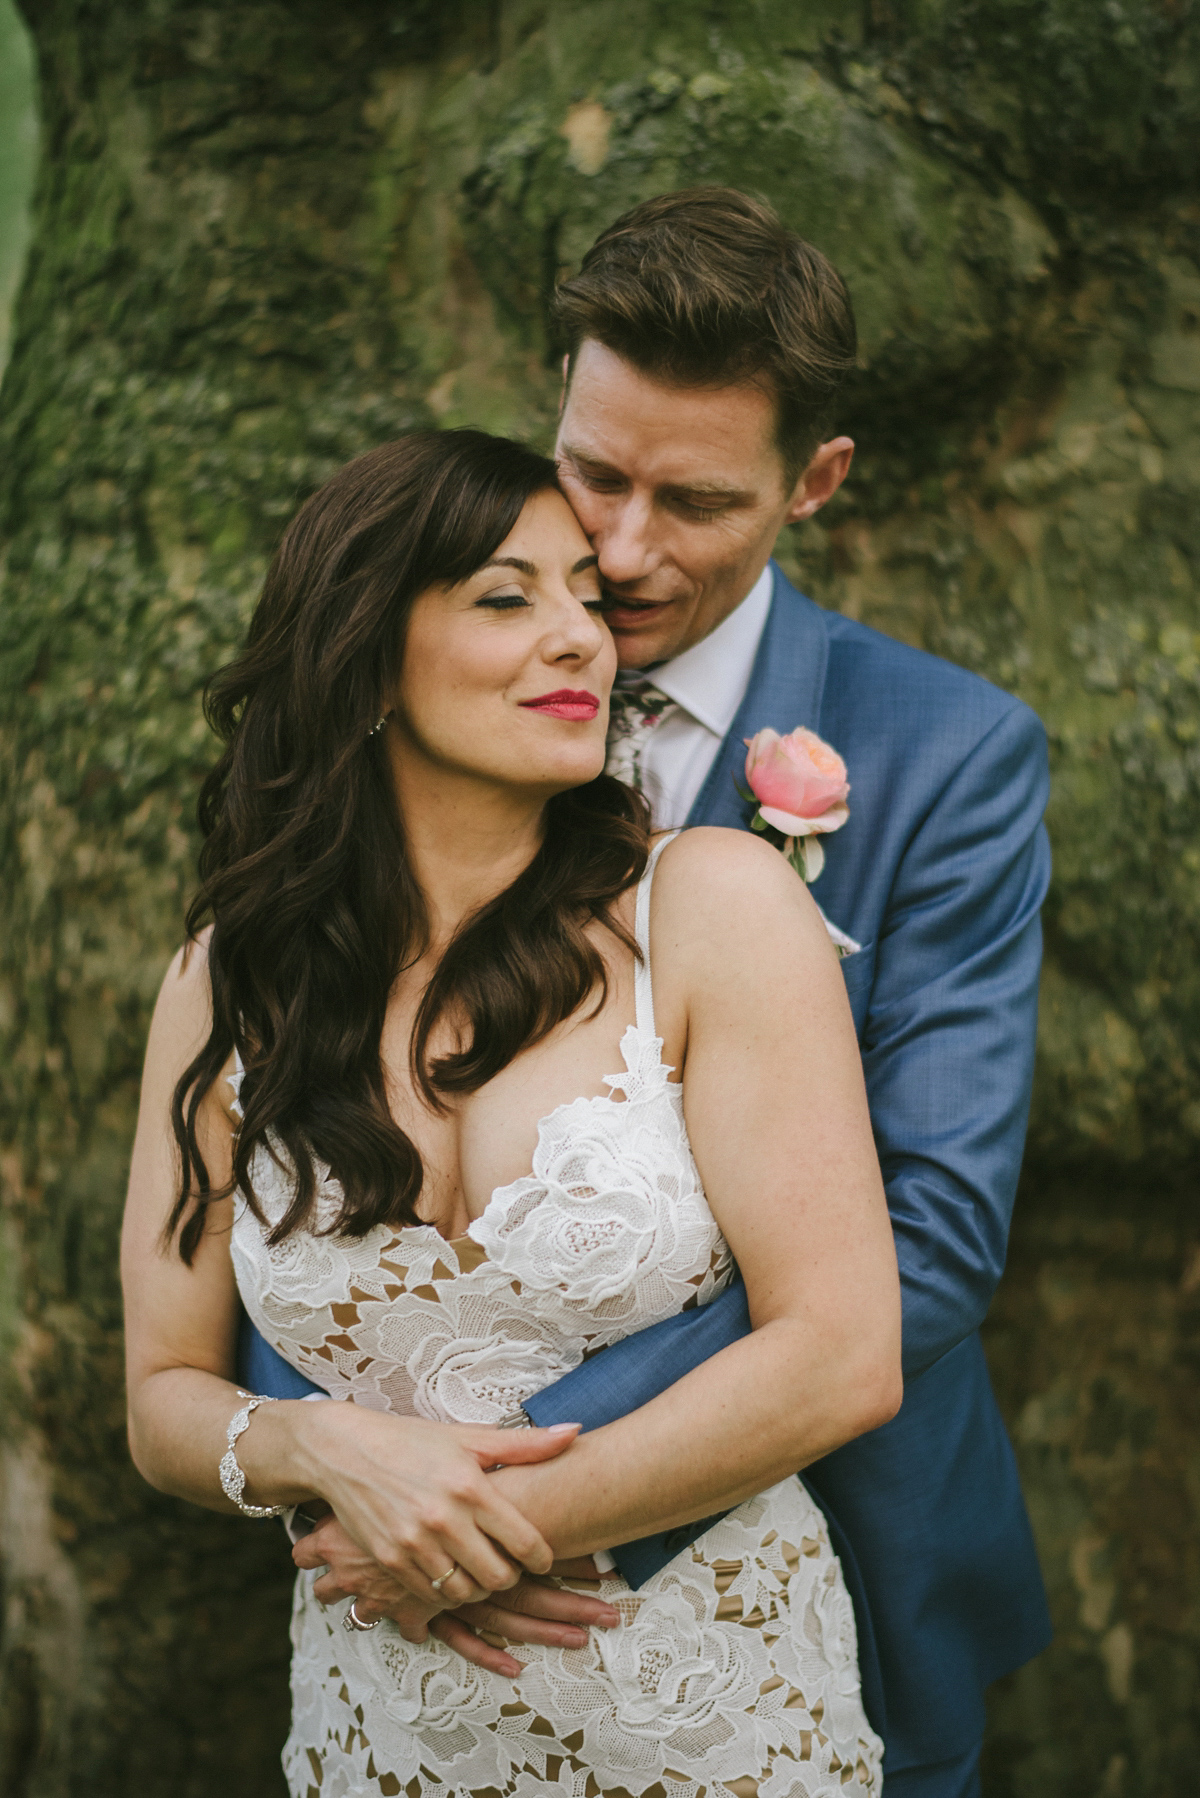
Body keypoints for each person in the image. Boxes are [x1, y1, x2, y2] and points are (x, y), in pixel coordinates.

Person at [241, 188, 1055, 1797]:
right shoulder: (404, 698)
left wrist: (509, 1491)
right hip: (396, 1592)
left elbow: (934, 1234)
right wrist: (339, 1445)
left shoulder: (943, 759)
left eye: (690, 501)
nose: (617, 553)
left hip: (817, 1573)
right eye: (595, 472)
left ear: (813, 482)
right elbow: (288, 1120)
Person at [122, 428, 903, 1797]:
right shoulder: (226, 985)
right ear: (363, 652)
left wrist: (469, 1530)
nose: (582, 641)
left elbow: (840, 1351)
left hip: (716, 1722)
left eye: (590, 605)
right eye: (507, 596)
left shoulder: (711, 907)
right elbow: (163, 1394)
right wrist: (318, 1443)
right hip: (386, 1737)